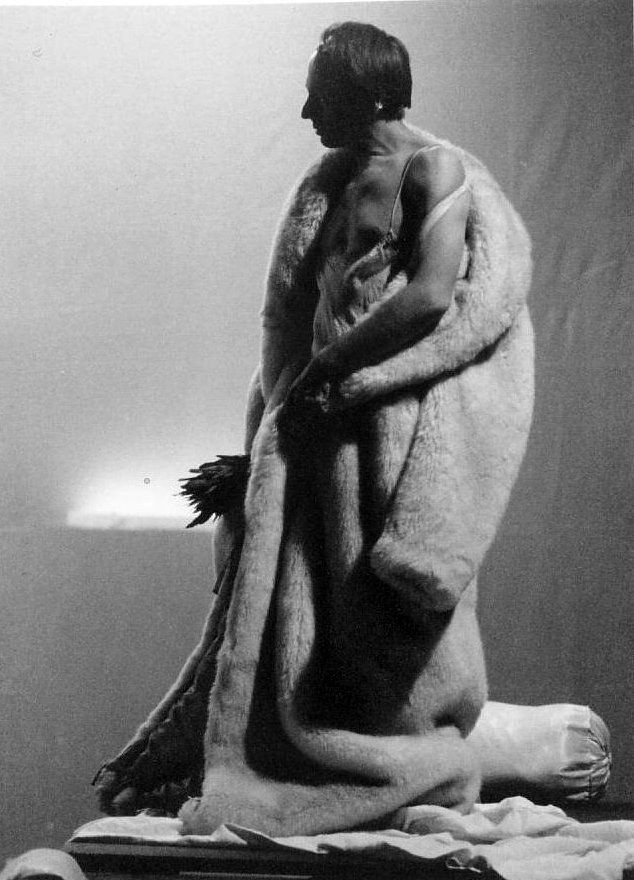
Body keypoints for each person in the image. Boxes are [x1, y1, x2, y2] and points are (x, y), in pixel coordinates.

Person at [94, 22, 534, 836]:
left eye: (319, 94)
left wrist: (332, 371)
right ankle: (295, 759)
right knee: (297, 614)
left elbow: (432, 294)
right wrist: (284, 407)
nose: (305, 113)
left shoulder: (432, 169)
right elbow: (300, 310)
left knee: (376, 617)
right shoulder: (330, 185)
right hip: (314, 431)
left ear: (368, 91)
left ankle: (393, 760)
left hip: (381, 433)